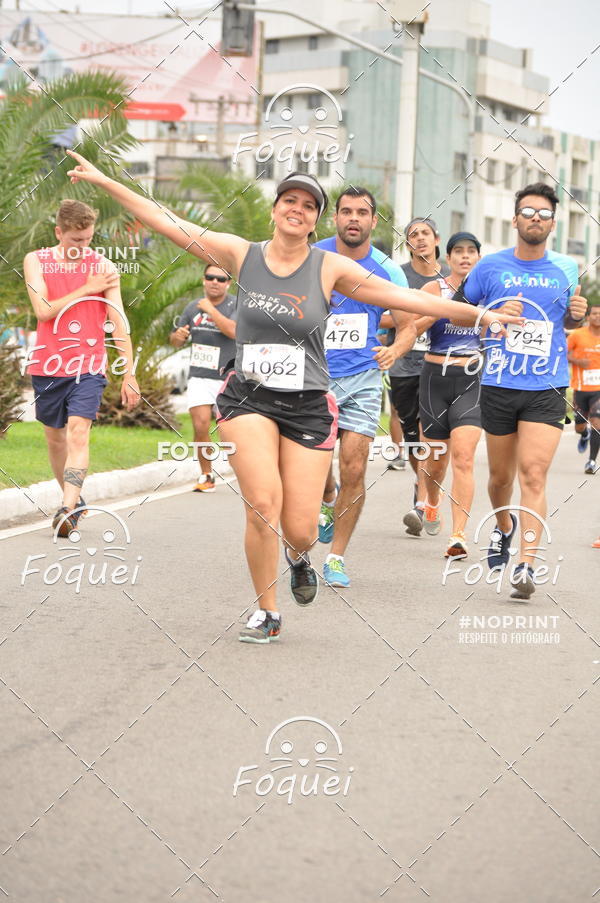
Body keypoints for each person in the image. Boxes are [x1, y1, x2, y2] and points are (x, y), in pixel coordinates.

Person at [66, 151, 520, 641]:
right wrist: (105, 181)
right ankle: (267, 610)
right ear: (275, 209)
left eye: (308, 204)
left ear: (314, 220)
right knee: (262, 503)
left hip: (306, 403)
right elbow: (167, 220)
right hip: (248, 398)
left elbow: (405, 299)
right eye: (289, 199)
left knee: (301, 528)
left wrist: (478, 316)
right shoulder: (242, 253)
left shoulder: (330, 267)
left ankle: (300, 556)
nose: (297, 208)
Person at [458, 182, 588, 599]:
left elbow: (565, 325)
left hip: (546, 384)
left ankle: (526, 564)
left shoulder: (567, 268)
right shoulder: (489, 267)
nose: (536, 218)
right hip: (498, 382)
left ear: (553, 222)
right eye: (529, 212)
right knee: (501, 478)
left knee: (534, 474)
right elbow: (458, 318)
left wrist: (575, 317)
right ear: (515, 220)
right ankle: (504, 526)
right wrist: (491, 314)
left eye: (545, 214)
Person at [314, 186, 415, 587]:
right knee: (318, 467)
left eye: (362, 212)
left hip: (363, 380)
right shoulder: (313, 257)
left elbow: (407, 326)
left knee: (354, 467)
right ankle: (326, 498)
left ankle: (336, 557)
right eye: (346, 212)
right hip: (312, 379)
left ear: (374, 221)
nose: (353, 218)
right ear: (335, 219)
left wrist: (394, 352)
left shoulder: (387, 269)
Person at [23, 198, 139, 537]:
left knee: (78, 431)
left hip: (88, 366)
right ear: (59, 232)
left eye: (88, 239)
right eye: (76, 240)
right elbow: (43, 310)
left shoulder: (103, 267)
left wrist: (128, 373)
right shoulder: (37, 261)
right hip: (47, 364)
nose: (83, 247)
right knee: (55, 440)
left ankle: (68, 508)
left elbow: (118, 321)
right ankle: (73, 498)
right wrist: (86, 288)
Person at [414, 232, 483, 558]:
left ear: (478, 258)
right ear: (449, 256)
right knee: (436, 460)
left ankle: (458, 535)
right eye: (459, 252)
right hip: (434, 379)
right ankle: (431, 500)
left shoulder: (488, 293)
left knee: (464, 458)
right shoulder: (433, 289)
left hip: (471, 379)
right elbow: (411, 328)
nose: (465, 257)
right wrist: (444, 308)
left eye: (471, 251)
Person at [383, 218, 451, 535]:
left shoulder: (451, 279)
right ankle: (420, 485)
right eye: (413, 236)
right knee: (413, 438)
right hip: (403, 365)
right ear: (407, 244)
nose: (420, 239)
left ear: (436, 239)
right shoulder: (397, 276)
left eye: (425, 233)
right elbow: (383, 315)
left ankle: (424, 501)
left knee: (431, 434)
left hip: (440, 364)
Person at [170, 263, 237, 492]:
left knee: (230, 430)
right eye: (210, 277)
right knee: (200, 425)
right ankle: (206, 474)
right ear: (203, 280)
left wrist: (210, 310)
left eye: (221, 279)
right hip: (199, 375)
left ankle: (245, 471)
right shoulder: (192, 307)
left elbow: (234, 331)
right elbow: (176, 340)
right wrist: (178, 336)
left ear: (228, 283)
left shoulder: (235, 305)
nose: (215, 282)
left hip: (228, 377)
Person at [567, 304, 600, 474]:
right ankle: (583, 434)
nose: (597, 317)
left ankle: (592, 461)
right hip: (580, 388)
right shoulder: (578, 335)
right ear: (588, 317)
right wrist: (578, 362)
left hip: (599, 390)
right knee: (580, 426)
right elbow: (563, 353)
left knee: (597, 423)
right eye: (594, 314)